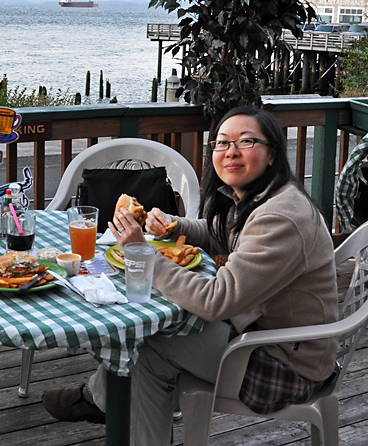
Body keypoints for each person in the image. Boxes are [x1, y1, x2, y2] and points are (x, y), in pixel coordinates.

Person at [42, 106, 338, 444]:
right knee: (149, 341)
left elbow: (215, 302)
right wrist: (175, 225)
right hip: (265, 334)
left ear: (272, 154)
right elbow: (221, 232)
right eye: (222, 143)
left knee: (145, 346)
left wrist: (142, 251)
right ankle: (106, 400)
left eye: (246, 142)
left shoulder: (281, 217)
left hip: (285, 364)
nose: (231, 152)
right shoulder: (262, 198)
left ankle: (102, 400)